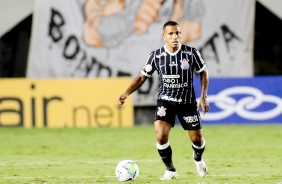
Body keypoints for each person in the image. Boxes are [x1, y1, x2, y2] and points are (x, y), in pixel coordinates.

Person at [118, 21, 209, 180]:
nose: (174, 36)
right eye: (171, 34)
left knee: (197, 140)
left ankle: (198, 158)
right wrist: (127, 92)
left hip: (187, 103)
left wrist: (203, 96)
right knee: (160, 135)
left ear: (180, 34)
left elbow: (203, 72)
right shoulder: (156, 56)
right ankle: (170, 170)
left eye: (177, 33)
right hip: (165, 101)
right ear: (164, 36)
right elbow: (142, 77)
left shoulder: (191, 53)